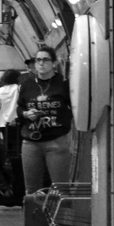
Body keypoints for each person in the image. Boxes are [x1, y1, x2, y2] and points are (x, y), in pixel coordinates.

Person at [18, 46, 75, 192]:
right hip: (31, 141)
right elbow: (20, 108)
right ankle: (34, 214)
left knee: (61, 188)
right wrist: (26, 114)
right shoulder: (27, 84)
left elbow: (75, 109)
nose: (41, 63)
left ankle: (62, 214)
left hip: (56, 140)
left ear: (54, 63)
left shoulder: (64, 83)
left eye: (45, 60)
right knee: (31, 189)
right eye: (38, 60)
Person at [0, 69, 24, 193]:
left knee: (7, 151)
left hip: (3, 124)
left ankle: (7, 180)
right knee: (19, 151)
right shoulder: (19, 88)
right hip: (17, 122)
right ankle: (19, 182)